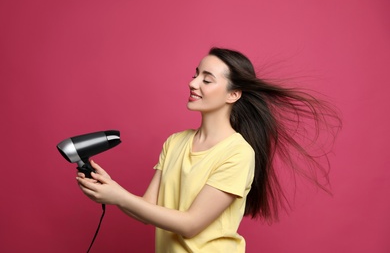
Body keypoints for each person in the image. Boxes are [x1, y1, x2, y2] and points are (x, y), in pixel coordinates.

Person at [76, 47, 341, 252]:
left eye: (207, 79)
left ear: (233, 95)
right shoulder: (175, 142)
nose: (193, 84)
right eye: (195, 74)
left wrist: (119, 196)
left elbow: (190, 225)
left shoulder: (238, 153)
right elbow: (147, 209)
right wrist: (108, 189)